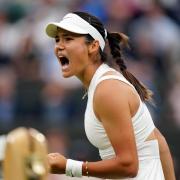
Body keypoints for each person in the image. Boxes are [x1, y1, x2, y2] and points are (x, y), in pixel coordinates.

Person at [45, 11, 175, 179]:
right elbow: (158, 141)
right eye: (57, 40)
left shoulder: (107, 90)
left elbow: (128, 165)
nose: (59, 46)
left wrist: (69, 167)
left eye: (68, 39)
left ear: (93, 46)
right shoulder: (103, 85)